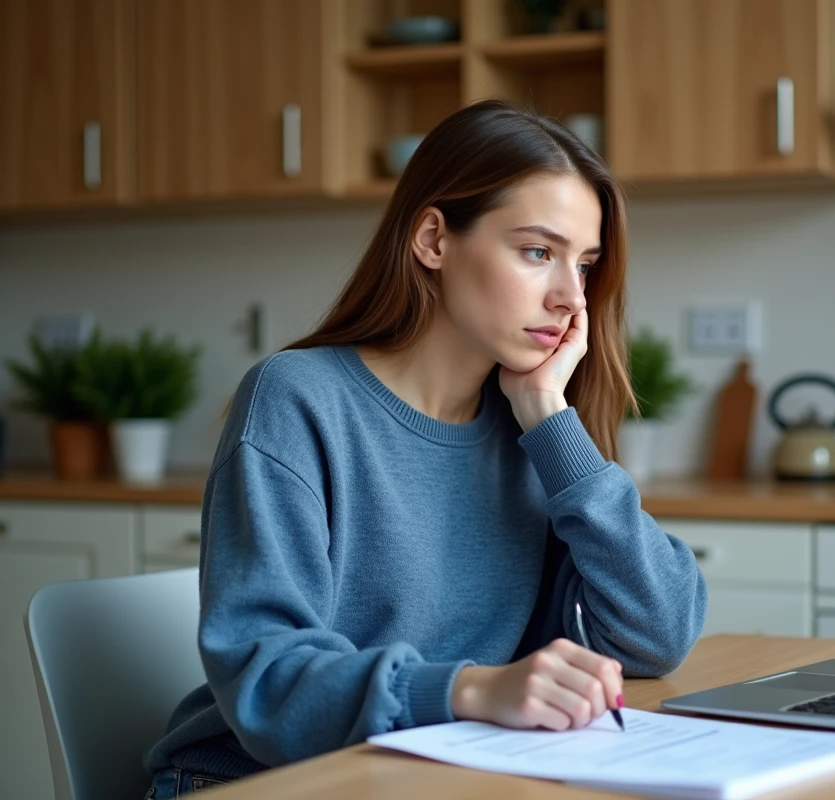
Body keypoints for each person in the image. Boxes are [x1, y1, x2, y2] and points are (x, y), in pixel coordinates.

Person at [142, 100, 707, 797]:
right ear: (434, 240)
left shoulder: (532, 432)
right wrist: (473, 689)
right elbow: (269, 680)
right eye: (538, 252)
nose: (569, 296)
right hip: (255, 780)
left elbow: (658, 634)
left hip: (435, 772)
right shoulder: (297, 398)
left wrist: (552, 423)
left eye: (584, 265)